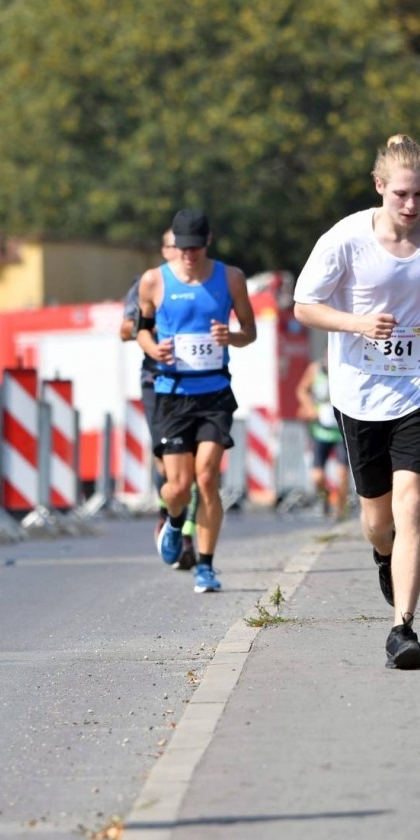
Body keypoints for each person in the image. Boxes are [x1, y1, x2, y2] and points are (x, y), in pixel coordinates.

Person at [292, 135, 420, 669]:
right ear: (379, 187)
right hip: (359, 391)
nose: (411, 205)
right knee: (378, 520)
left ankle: (404, 627)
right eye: (400, 194)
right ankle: (382, 554)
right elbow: (305, 306)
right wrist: (356, 323)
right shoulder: (347, 238)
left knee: (412, 504)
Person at [134, 208, 258, 592]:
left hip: (214, 393)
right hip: (172, 395)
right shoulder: (154, 280)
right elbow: (141, 330)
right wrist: (155, 351)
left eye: (194, 248)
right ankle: (173, 521)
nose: (188, 255)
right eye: (182, 248)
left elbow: (249, 330)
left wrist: (231, 337)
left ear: (207, 241)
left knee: (206, 478)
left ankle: (206, 565)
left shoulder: (231, 277)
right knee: (177, 486)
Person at [121, 229, 195, 568]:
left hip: (199, 382)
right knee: (167, 461)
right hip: (158, 382)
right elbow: (126, 329)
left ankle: (189, 535)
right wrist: (148, 329)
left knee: (198, 465)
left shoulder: (206, 280)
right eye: (173, 246)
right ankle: (168, 514)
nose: (181, 251)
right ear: (165, 250)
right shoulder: (147, 283)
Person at [295, 358, 345, 517]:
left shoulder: (346, 367)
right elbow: (301, 390)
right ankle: (324, 498)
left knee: (342, 472)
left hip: (340, 432)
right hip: (320, 431)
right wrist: (309, 408)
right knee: (317, 476)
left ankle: (341, 511)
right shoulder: (315, 370)